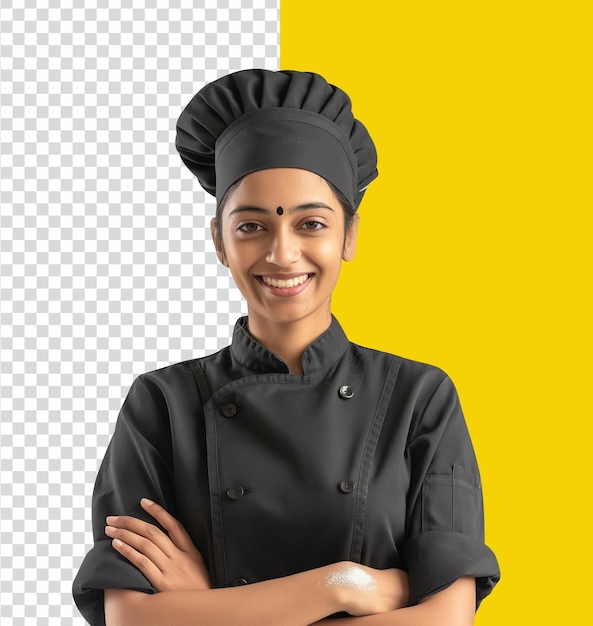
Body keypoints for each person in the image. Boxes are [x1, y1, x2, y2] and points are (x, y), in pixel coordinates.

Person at [72, 69, 500, 626]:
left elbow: (446, 618)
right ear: (219, 242)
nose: (281, 253)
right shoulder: (161, 404)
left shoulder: (420, 397)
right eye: (251, 226)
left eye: (311, 224)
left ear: (348, 236)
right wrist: (340, 585)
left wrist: (203, 611)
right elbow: (130, 617)